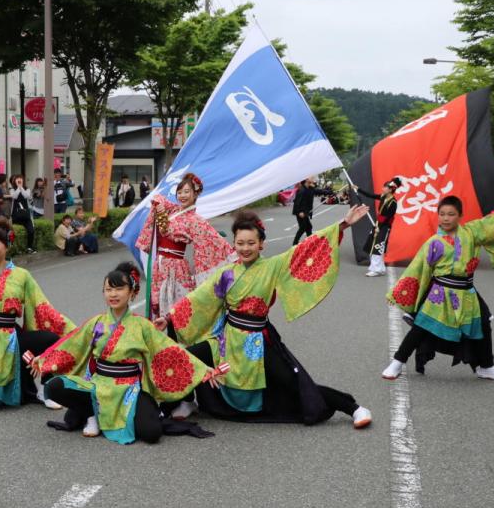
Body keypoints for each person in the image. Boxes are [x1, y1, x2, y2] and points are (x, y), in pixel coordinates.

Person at [154, 207, 374, 428]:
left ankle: (352, 408)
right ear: (234, 244)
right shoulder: (226, 274)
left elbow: (306, 248)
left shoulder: (272, 266)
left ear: (261, 244)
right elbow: (200, 298)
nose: (245, 248)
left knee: (294, 382)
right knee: (187, 358)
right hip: (227, 341)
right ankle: (185, 401)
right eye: (240, 243)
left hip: (258, 341)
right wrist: (169, 317)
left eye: (251, 243)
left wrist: (343, 224)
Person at [37, 262, 218, 443]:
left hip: (129, 389)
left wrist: (202, 369)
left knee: (152, 432)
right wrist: (43, 360)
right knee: (54, 387)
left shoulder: (142, 326)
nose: (113, 294)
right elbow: (72, 344)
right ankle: (91, 414)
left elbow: (168, 349)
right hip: (98, 385)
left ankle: (106, 415)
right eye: (108, 289)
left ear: (131, 292)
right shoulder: (96, 322)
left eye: (119, 289)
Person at [383, 193, 494, 383]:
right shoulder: (434, 242)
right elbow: (418, 268)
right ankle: (397, 362)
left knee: (483, 324)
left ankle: (486, 366)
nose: (445, 218)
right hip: (440, 292)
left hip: (467, 292)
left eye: (451, 214)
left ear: (460, 215)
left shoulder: (472, 232)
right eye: (442, 214)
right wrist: (400, 293)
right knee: (421, 327)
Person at [0, 217, 74, 407]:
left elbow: (41, 307)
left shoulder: (22, 275)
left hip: (9, 336)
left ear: (7, 246)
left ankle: (47, 389)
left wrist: (75, 332)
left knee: (50, 339)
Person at [133, 173, 234, 317]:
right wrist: (160, 208)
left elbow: (213, 239)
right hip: (160, 265)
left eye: (187, 192)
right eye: (179, 192)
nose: (182, 195)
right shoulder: (174, 210)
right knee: (161, 308)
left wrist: (233, 255)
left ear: (195, 194)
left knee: (176, 311)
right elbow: (158, 198)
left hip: (175, 267)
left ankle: (177, 337)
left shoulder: (195, 220)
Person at [353, 177, 400, 277]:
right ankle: (379, 268)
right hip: (378, 224)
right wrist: (359, 189)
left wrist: (380, 227)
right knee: (373, 245)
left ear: (391, 189)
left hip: (384, 226)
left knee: (377, 247)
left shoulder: (393, 203)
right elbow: (372, 195)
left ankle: (376, 269)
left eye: (385, 187)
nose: (383, 188)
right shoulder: (383, 197)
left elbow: (387, 217)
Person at [7, 174, 37, 253]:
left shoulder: (27, 189)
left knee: (31, 230)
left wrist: (21, 187)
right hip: (15, 215)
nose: (19, 180)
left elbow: (26, 196)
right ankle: (14, 249)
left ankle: (29, 247)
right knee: (13, 232)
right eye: (17, 179)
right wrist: (18, 187)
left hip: (26, 215)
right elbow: (14, 196)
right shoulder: (12, 189)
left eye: (20, 178)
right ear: (14, 180)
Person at [292, 176, 316, 245]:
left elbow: (318, 191)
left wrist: (331, 192)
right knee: (303, 227)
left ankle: (310, 242)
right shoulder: (302, 190)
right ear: (306, 179)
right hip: (301, 212)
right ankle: (295, 243)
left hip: (305, 212)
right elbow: (296, 202)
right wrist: (299, 212)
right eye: (311, 177)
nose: (313, 178)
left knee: (308, 227)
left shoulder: (309, 188)